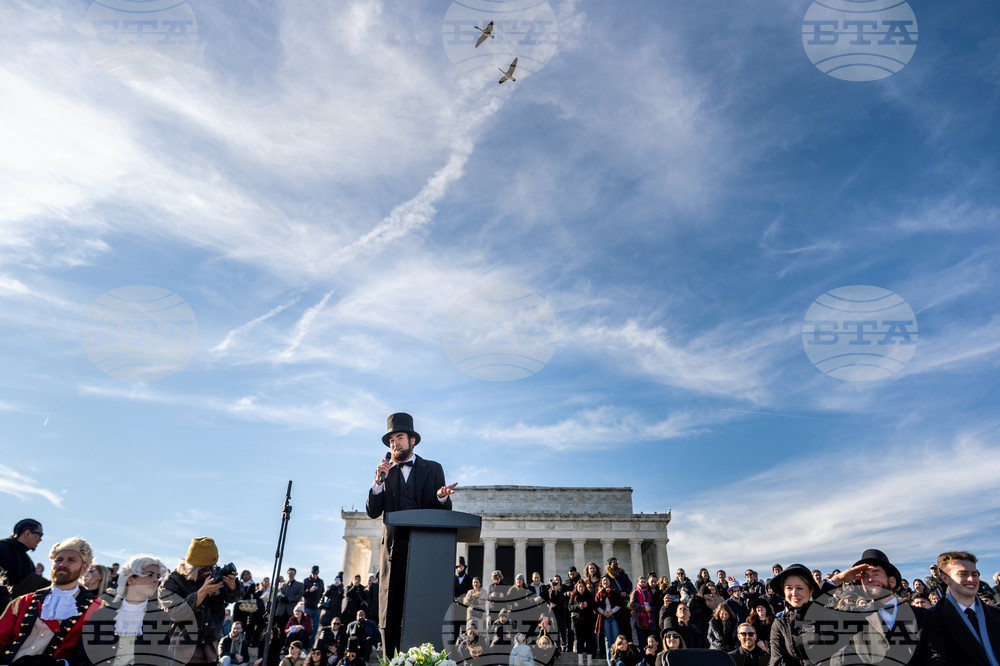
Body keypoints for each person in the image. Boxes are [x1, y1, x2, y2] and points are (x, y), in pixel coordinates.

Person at [366, 412, 456, 657]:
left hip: (424, 548)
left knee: (424, 605)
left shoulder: (433, 468)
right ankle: (392, 660)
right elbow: (373, 511)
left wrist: (441, 497)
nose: (395, 443)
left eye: (400, 437)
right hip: (394, 551)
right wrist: (377, 482)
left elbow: (443, 511)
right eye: (391, 440)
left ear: (412, 440)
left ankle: (426, 657)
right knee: (391, 609)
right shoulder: (385, 474)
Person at [825, 548, 946, 666]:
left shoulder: (924, 616)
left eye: (876, 573)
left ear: (892, 581)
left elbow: (937, 657)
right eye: (865, 576)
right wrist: (837, 580)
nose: (870, 579)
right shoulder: (853, 616)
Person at [0, 536, 104, 663]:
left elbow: (90, 656)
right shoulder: (23, 601)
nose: (62, 564)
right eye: (58, 560)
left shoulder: (97, 609)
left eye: (71, 560)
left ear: (83, 568)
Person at [80, 553, 192, 666]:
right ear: (130, 580)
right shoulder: (102, 613)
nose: (155, 580)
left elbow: (157, 659)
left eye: (157, 576)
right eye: (150, 575)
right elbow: (85, 653)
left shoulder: (161, 617)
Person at [158, 536, 241, 666]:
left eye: (211, 568)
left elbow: (235, 598)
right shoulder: (172, 582)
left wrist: (232, 585)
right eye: (203, 570)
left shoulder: (214, 576)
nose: (208, 573)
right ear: (191, 566)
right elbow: (175, 612)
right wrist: (201, 593)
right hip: (183, 648)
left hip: (210, 647)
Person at [931, 551, 1000, 666]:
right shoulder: (932, 619)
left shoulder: (997, 614)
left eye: (974, 574)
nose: (972, 579)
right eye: (963, 574)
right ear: (945, 578)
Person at [768, 563, 829, 666]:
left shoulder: (827, 617)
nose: (794, 593)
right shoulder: (779, 624)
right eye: (789, 588)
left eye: (800, 588)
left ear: (811, 591)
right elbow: (778, 659)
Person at [0, 519, 43, 592]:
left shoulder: (29, 563)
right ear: (27, 533)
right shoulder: (1, 548)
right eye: (40, 535)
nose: (40, 539)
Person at [595, 575, 625, 663]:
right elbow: (596, 606)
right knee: (608, 640)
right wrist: (603, 612)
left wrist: (611, 611)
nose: (605, 582)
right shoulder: (599, 593)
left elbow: (620, 603)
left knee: (616, 639)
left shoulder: (616, 591)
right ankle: (610, 661)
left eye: (607, 580)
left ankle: (617, 659)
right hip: (604, 617)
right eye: (603, 581)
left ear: (610, 581)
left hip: (614, 616)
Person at [568, 579, 598, 664]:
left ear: (585, 587)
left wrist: (587, 605)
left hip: (589, 621)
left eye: (582, 587)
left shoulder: (589, 595)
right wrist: (578, 606)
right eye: (579, 587)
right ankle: (580, 660)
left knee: (589, 640)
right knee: (579, 641)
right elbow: (570, 607)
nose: (581, 588)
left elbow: (594, 606)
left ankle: (589, 660)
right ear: (576, 587)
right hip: (578, 621)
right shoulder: (573, 596)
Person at [628, 577, 656, 648]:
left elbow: (654, 606)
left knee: (650, 643)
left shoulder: (649, 594)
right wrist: (643, 607)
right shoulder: (635, 592)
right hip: (639, 621)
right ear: (638, 583)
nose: (643, 583)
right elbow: (632, 604)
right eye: (641, 582)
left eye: (644, 582)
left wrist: (651, 608)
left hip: (649, 622)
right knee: (641, 643)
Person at [277, 568, 304, 639]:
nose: (291, 574)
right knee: (280, 629)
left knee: (290, 629)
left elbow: (299, 595)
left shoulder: (299, 584)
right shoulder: (281, 585)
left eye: (292, 573)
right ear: (287, 574)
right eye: (289, 573)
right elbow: (276, 594)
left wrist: (289, 599)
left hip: (291, 610)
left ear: (295, 574)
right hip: (281, 610)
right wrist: (281, 598)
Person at [302, 567, 325, 645]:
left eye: (316, 574)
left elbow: (322, 593)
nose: (315, 575)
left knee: (315, 628)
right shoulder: (306, 581)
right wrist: (310, 590)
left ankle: (311, 646)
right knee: (305, 626)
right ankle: (304, 644)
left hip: (316, 608)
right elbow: (302, 593)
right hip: (307, 607)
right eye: (314, 574)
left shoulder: (321, 582)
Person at [548, 575, 569, 651]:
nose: (556, 582)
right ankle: (557, 646)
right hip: (554, 612)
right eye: (555, 580)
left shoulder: (563, 588)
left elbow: (564, 597)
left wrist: (559, 590)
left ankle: (564, 646)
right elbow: (552, 599)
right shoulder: (551, 589)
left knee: (563, 630)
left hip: (562, 612)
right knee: (555, 630)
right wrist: (553, 589)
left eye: (558, 580)